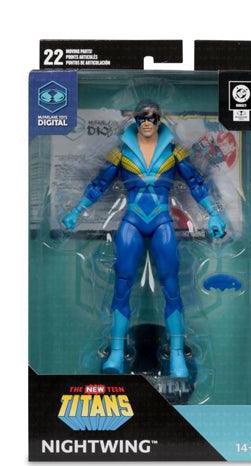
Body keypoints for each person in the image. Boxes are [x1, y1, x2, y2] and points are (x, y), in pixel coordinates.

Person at [63, 99, 226, 377]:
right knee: (122, 286)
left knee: (172, 287)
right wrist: (75, 211)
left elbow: (196, 183)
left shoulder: (174, 152)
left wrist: (214, 214)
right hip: (132, 222)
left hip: (162, 222)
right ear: (135, 120)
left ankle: (177, 354)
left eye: (152, 117)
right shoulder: (120, 153)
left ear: (159, 120)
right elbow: (99, 184)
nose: (147, 122)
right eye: (141, 118)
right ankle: (116, 352)